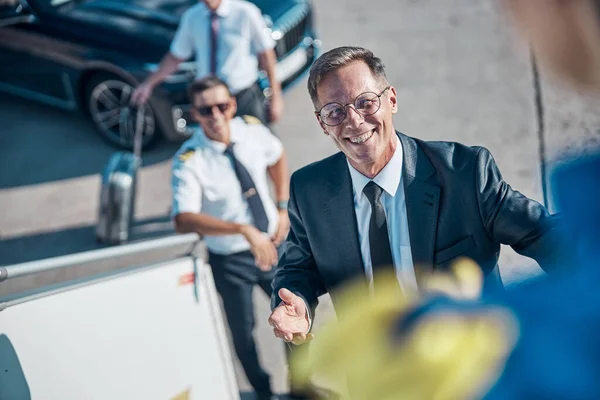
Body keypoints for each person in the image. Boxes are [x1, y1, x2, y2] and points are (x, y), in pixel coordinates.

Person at [267, 46, 567, 343]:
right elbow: (299, 267)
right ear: (322, 123)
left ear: (392, 100)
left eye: (366, 102)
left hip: (472, 368)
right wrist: (298, 305)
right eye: (335, 112)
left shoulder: (464, 173)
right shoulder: (309, 190)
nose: (355, 121)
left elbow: (542, 235)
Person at [171, 75, 289, 400]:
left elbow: (277, 155)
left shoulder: (251, 129)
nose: (216, 116)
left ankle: (301, 389)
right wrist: (242, 229)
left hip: (274, 246)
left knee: (297, 318)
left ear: (233, 105)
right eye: (205, 110)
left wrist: (281, 206)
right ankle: (264, 392)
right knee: (243, 335)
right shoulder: (189, 160)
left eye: (222, 106)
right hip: (230, 259)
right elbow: (183, 219)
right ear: (194, 114)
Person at [131, 0, 283, 125]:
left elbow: (267, 56)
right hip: (208, 102)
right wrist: (148, 84)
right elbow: (175, 57)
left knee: (261, 147)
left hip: (243, 97)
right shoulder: (192, 17)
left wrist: (276, 96)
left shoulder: (245, 12)